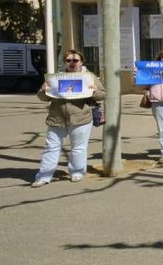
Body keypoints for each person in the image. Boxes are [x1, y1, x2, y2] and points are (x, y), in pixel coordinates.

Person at [31, 50, 106, 187]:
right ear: (64, 62)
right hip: (57, 118)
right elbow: (43, 98)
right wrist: (43, 90)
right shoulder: (56, 77)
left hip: (81, 118)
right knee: (51, 147)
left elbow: (102, 95)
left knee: (78, 148)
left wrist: (94, 90)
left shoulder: (89, 76)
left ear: (81, 62)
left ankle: (77, 172)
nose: (72, 63)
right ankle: (43, 176)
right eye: (68, 60)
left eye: (75, 60)